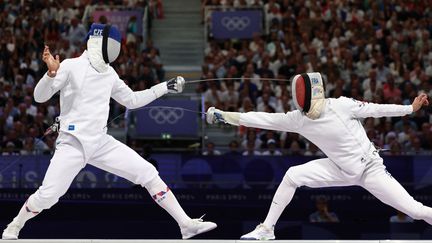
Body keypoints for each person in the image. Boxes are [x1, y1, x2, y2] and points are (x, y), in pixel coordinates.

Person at [2, 23, 216, 240]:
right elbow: (39, 97)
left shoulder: (109, 74)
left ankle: (186, 225)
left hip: (100, 142)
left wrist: (164, 87)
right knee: (48, 197)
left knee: (148, 172)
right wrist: (50, 73)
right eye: (114, 44)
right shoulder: (70, 65)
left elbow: (131, 100)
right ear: (100, 42)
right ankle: (15, 224)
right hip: (72, 142)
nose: (116, 50)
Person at [206, 72, 432, 240]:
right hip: (340, 169)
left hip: (370, 170)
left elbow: (376, 108)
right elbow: (260, 118)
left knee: (414, 210)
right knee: (293, 175)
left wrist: (409, 109)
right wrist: (224, 116)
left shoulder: (341, 105)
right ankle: (267, 229)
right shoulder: (297, 118)